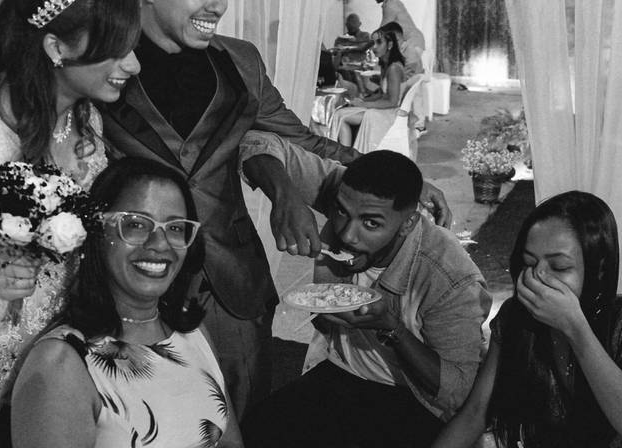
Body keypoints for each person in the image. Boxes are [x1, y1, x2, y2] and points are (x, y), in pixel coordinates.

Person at [101, 0, 451, 420]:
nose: (218, 5)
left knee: (244, 422)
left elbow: (303, 140)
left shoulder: (241, 60)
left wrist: (399, 181)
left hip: (231, 281)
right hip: (129, 281)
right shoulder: (102, 61)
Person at [242, 150, 491, 448]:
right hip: (345, 376)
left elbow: (456, 392)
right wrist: (285, 197)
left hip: (415, 400)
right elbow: (258, 142)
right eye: (342, 212)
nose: (347, 234)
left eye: (371, 224)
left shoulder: (448, 275)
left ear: (407, 223)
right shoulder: (341, 204)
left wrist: (390, 326)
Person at [10, 157, 253, 448]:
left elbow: (229, 447)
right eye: (136, 224)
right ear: (97, 232)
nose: (160, 243)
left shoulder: (191, 334)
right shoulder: (62, 364)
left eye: (175, 228)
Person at [416, 191, 622, 448]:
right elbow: (477, 411)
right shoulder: (516, 318)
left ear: (599, 268)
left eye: (559, 267)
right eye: (529, 262)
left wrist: (575, 328)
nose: (538, 276)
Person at [0, 0, 141, 424]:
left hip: (56, 356)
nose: (134, 65)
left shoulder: (87, 123)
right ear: (56, 47)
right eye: (116, 49)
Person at [331, 28, 408, 151]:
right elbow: (382, 94)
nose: (374, 47)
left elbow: (393, 102)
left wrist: (364, 104)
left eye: (379, 42)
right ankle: (346, 153)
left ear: (390, 45)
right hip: (384, 110)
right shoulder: (387, 65)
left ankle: (347, 156)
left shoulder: (394, 68)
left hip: (389, 114)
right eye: (373, 43)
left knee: (341, 117)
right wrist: (362, 100)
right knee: (339, 114)